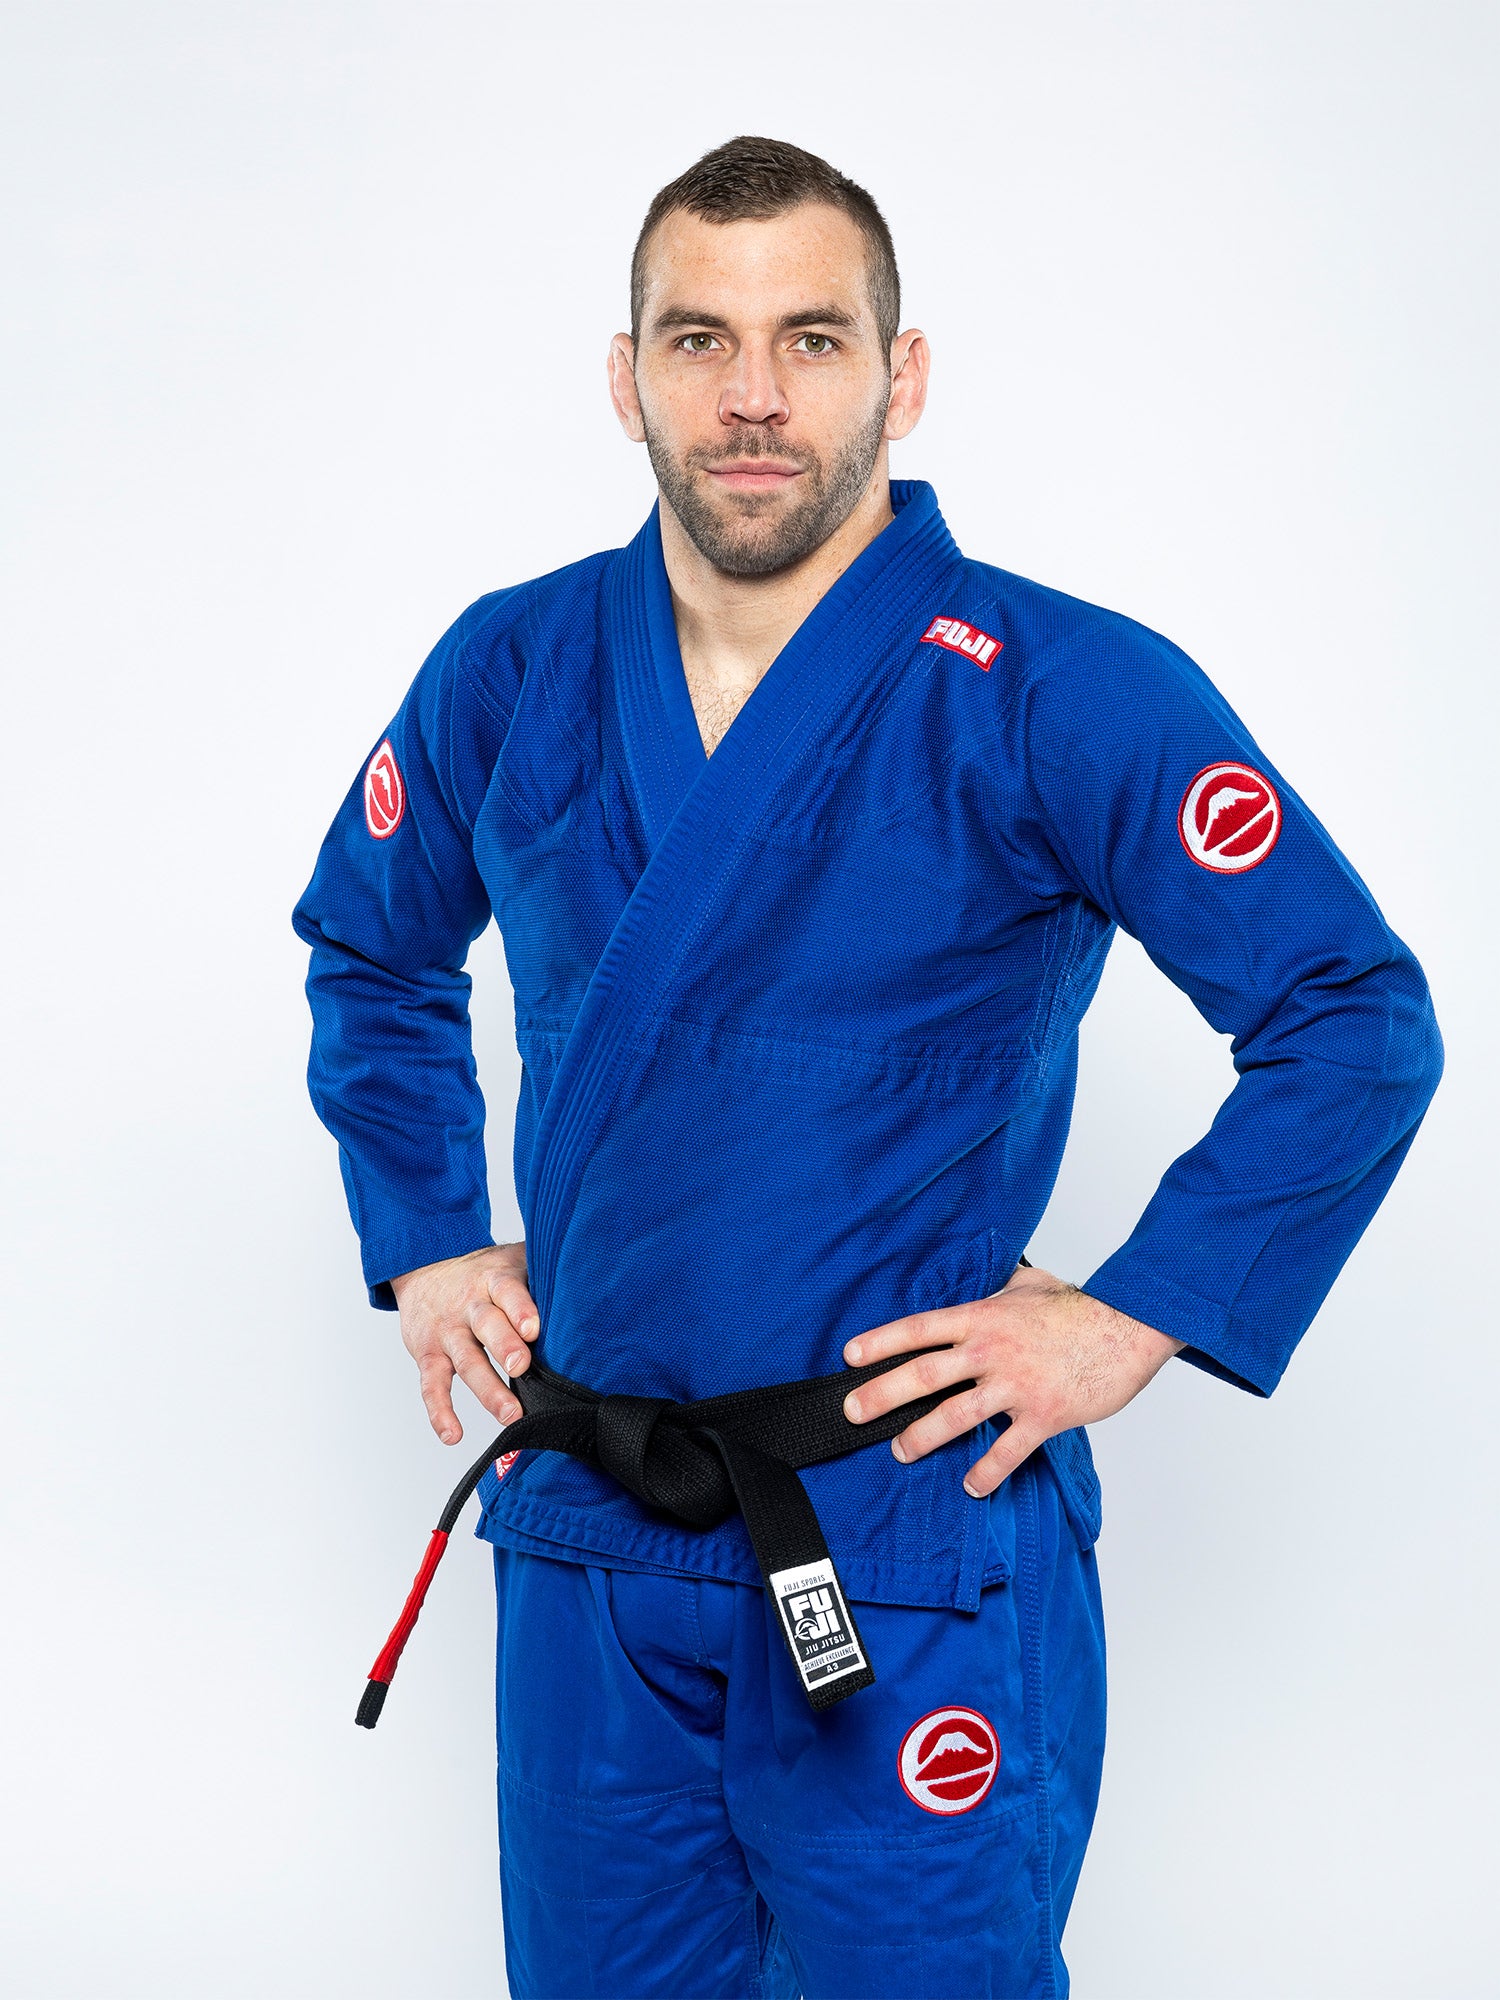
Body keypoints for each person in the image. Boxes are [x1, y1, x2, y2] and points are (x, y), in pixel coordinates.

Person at [293, 135, 1443, 2000]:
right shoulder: (510, 668)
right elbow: (370, 942)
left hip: (900, 1527)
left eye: (813, 341)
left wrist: (1131, 1317)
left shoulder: (1058, 688)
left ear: (900, 377)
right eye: (700, 340)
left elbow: (1351, 1017)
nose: (754, 398)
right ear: (627, 375)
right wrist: (426, 1234)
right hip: (594, 1526)